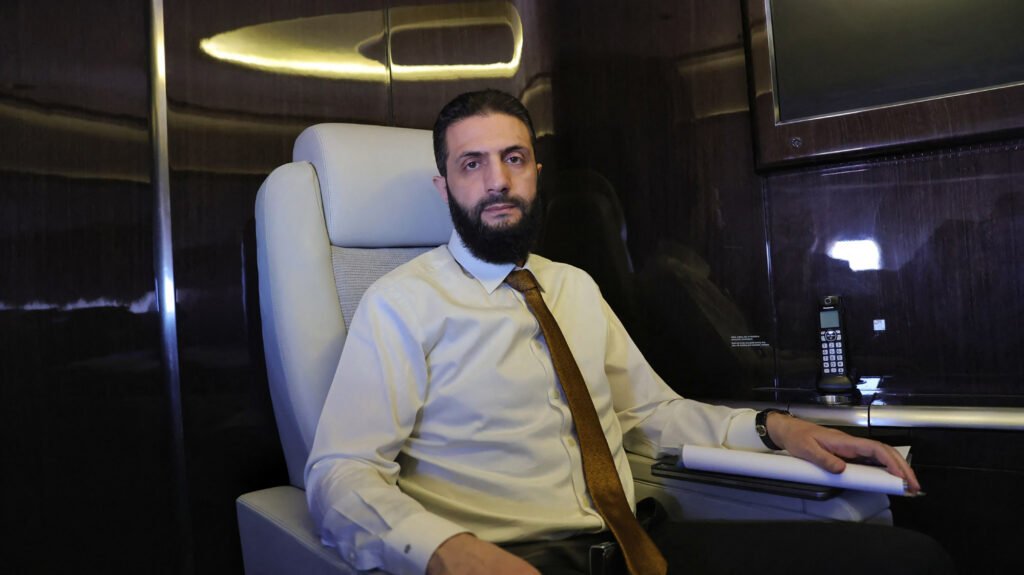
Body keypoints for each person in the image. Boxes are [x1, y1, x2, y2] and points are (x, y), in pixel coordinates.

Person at [305, 90, 952, 575]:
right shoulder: (401, 304)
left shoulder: (574, 287)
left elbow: (650, 413)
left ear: (535, 172)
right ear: (443, 185)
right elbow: (341, 473)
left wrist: (775, 427)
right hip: (520, 559)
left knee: (910, 559)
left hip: (638, 543)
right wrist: (443, 549)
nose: (497, 181)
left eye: (513, 158)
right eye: (471, 164)